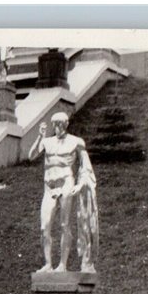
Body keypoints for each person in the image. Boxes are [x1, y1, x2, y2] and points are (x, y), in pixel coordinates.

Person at [28, 111, 98, 273]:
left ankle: (63, 265)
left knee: (64, 225)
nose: (57, 127)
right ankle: (47, 264)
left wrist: (80, 184)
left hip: (66, 183)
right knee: (45, 227)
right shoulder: (47, 142)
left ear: (66, 124)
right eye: (55, 124)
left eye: (60, 123)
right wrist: (39, 136)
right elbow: (31, 156)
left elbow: (86, 165)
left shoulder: (76, 142)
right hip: (49, 186)